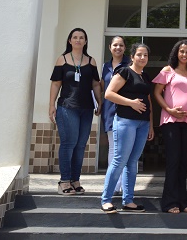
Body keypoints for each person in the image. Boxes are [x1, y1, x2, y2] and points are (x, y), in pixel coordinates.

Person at [100, 43, 154, 213]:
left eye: (145, 55)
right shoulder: (124, 71)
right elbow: (109, 93)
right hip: (125, 121)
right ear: (132, 57)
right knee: (119, 160)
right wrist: (131, 103)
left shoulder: (145, 77)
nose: (142, 58)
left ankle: (128, 200)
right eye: (139, 55)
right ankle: (106, 200)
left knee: (132, 162)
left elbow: (148, 101)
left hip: (142, 124)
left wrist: (151, 124)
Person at [48, 28, 102, 195]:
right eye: (75, 37)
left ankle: (75, 180)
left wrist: (100, 102)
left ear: (85, 41)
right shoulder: (62, 60)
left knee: (80, 146)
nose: (78, 40)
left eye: (81, 37)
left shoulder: (91, 61)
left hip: (86, 108)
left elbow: (95, 84)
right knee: (68, 143)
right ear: (70, 41)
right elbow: (56, 83)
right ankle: (64, 181)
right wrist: (51, 105)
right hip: (67, 107)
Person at [153, 40, 187, 213]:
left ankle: (183, 201)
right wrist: (169, 109)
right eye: (181, 51)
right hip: (170, 122)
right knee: (173, 161)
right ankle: (169, 203)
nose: (184, 55)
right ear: (176, 52)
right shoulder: (168, 70)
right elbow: (157, 93)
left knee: (183, 162)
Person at [101, 36, 129, 193]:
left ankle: (124, 186)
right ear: (110, 47)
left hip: (126, 111)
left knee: (125, 151)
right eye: (115, 45)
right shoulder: (105, 66)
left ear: (125, 48)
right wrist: (99, 104)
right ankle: (113, 185)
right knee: (113, 149)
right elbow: (102, 87)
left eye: (121, 45)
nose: (118, 48)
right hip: (109, 111)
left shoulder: (130, 65)